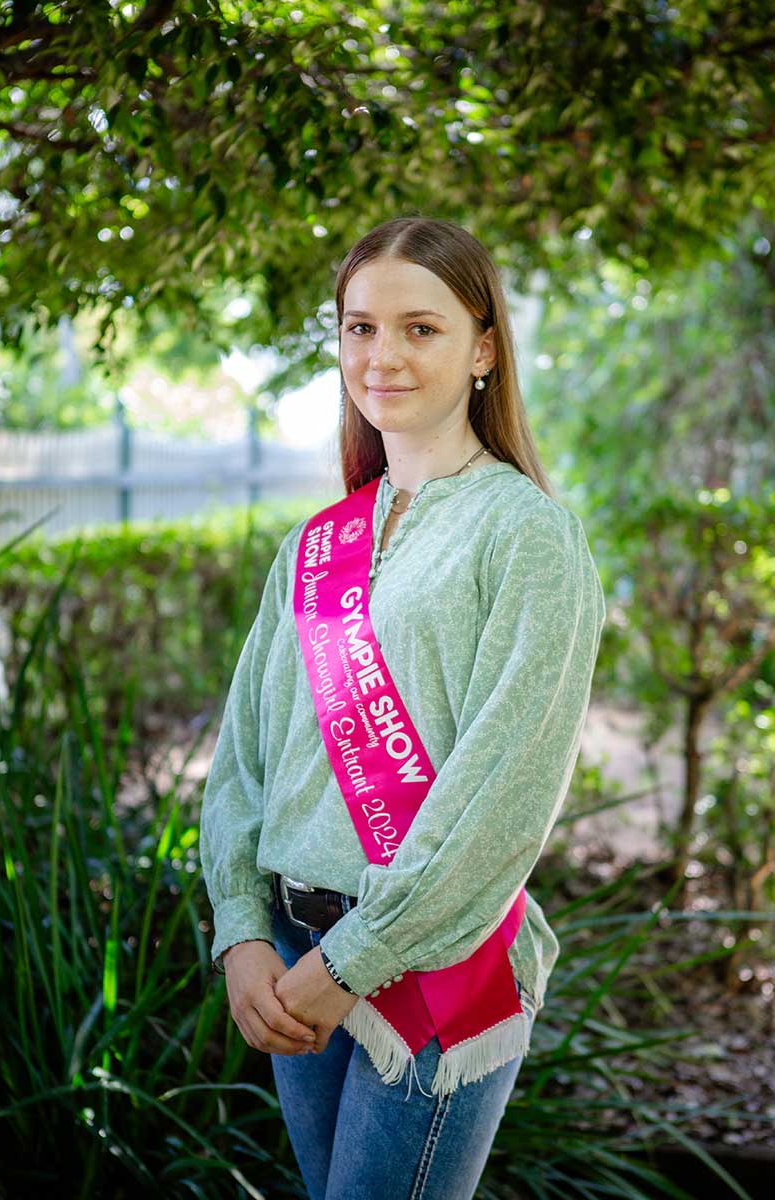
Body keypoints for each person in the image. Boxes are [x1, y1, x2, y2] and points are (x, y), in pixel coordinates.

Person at [199, 216, 607, 1200]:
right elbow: (244, 755)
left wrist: (356, 959)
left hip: (422, 966)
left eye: (419, 329)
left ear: (482, 347)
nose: (381, 355)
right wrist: (241, 928)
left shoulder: (527, 537)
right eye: (359, 328)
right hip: (292, 957)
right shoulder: (313, 544)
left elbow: (503, 789)